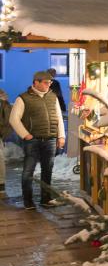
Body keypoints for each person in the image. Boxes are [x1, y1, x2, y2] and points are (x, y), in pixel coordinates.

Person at [9, 71, 66, 209]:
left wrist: (61, 136)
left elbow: (59, 117)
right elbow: (13, 119)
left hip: (50, 140)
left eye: (50, 82)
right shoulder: (23, 98)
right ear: (36, 82)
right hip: (32, 141)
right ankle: (28, 201)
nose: (49, 85)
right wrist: (26, 135)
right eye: (46, 82)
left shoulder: (53, 97)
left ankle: (45, 200)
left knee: (48, 171)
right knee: (28, 171)